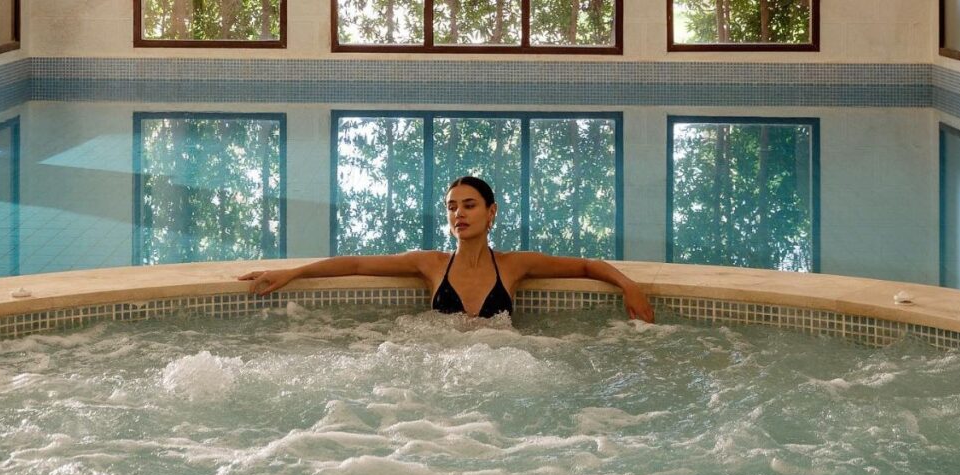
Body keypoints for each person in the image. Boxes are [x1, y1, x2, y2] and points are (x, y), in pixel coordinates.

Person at [239, 176, 654, 323]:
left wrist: (628, 286)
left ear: (491, 213)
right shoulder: (432, 264)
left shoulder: (513, 265)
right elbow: (357, 261)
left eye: (469, 205)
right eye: (452, 207)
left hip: (503, 367)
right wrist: (292, 273)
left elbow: (585, 266)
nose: (459, 214)